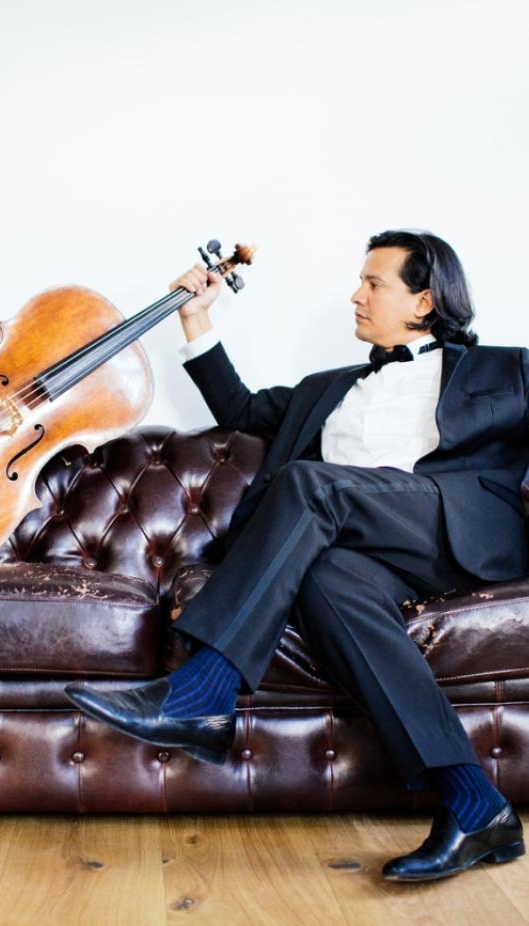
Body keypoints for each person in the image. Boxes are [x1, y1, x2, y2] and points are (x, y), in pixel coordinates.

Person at [66, 230, 528, 881]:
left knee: (310, 484)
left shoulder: (506, 369)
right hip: (366, 546)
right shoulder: (325, 389)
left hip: (455, 533)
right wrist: (195, 317)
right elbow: (240, 408)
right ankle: (476, 805)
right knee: (328, 583)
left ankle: (204, 690)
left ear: (424, 302)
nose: (356, 295)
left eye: (374, 284)